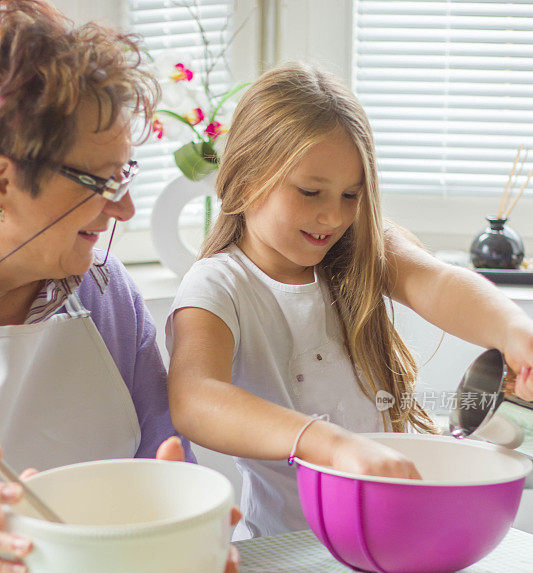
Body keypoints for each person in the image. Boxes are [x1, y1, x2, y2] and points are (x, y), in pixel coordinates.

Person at [167, 62, 533, 539]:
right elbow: (195, 397)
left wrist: (514, 330)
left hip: (392, 536)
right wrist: (327, 443)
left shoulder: (356, 251)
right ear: (246, 174)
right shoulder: (218, 286)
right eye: (310, 191)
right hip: (290, 552)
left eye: (350, 194)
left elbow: (440, 283)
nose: (332, 215)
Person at [0, 0, 239, 573]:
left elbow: (164, 464)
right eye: (98, 181)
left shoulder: (106, 295)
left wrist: (191, 534)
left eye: (123, 174)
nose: (124, 207)